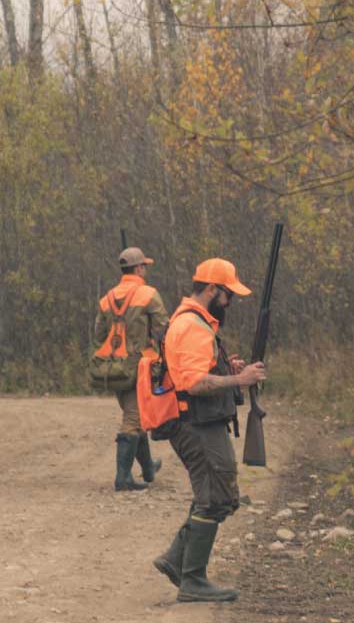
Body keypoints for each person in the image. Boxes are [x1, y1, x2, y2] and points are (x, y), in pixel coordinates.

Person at [151, 258, 266, 603]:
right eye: (228, 295)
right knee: (216, 497)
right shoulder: (192, 325)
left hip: (200, 422)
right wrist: (238, 379)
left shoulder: (196, 321)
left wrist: (226, 367)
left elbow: (195, 369)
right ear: (212, 289)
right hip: (195, 423)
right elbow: (193, 382)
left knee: (215, 494)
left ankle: (176, 560)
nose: (230, 302)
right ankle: (193, 580)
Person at [89, 246, 171, 492]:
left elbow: (99, 335)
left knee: (136, 416)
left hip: (113, 369)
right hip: (140, 368)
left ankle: (148, 468)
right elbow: (164, 329)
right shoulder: (148, 294)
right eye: (144, 265)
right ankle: (122, 478)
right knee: (133, 420)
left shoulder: (107, 298)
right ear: (139, 268)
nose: (146, 269)